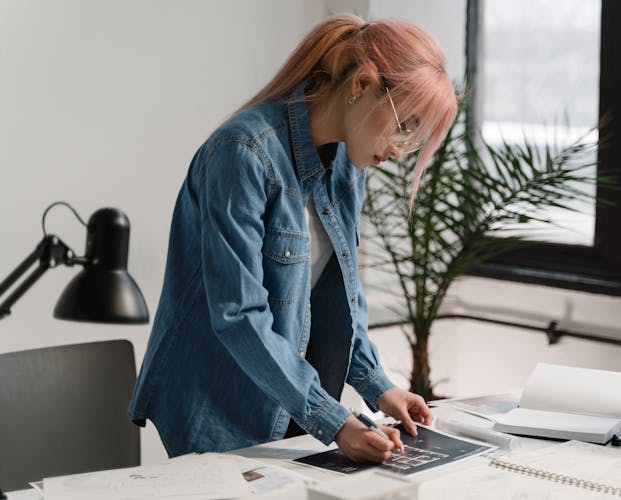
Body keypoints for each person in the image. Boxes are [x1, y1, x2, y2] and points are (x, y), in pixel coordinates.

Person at [129, 14, 457, 463]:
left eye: (413, 139)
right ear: (362, 83)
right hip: (216, 404)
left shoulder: (348, 166)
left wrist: (379, 386)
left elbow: (343, 295)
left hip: (291, 406)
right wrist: (334, 418)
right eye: (404, 126)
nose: (401, 151)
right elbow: (239, 314)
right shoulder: (242, 153)